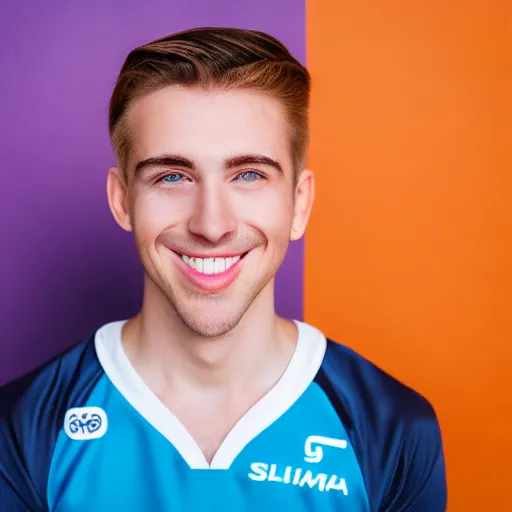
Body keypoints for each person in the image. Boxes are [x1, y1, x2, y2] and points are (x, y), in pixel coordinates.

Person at [0, 27, 447, 511]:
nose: (211, 224)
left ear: (299, 204)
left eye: (249, 175)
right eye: (172, 176)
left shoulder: (393, 428)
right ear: (122, 200)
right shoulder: (24, 428)